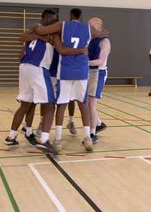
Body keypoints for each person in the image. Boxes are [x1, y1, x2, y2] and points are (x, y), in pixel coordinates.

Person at [3, 9, 86, 153]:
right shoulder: (51, 32)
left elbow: (22, 37)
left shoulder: (33, 29)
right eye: (52, 19)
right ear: (45, 17)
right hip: (37, 67)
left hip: (25, 67)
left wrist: (36, 35)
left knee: (26, 104)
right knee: (50, 104)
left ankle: (11, 137)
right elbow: (60, 49)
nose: (53, 22)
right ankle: (44, 140)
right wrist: (80, 51)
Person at [33, 8, 108, 151]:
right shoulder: (88, 28)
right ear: (81, 17)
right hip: (81, 71)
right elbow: (103, 33)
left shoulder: (63, 25)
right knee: (83, 104)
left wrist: (35, 28)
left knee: (61, 105)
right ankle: (87, 138)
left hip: (66, 70)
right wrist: (100, 31)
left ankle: (58, 139)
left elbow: (42, 31)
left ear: (70, 16)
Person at [87, 17, 110, 143]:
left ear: (97, 27)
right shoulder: (90, 39)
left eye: (91, 27)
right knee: (85, 103)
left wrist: (83, 62)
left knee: (91, 103)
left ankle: (92, 133)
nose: (88, 29)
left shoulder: (105, 42)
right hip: (89, 72)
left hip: (98, 73)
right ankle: (99, 123)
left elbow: (100, 61)